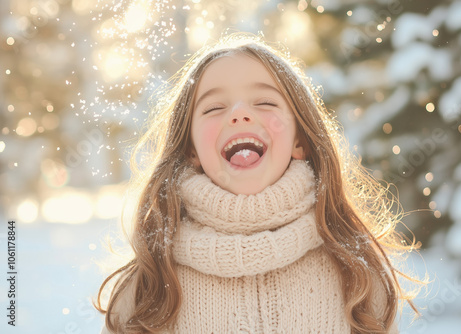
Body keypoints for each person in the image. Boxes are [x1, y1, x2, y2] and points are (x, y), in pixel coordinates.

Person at [94, 32, 423, 333]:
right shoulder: (151, 285)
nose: (238, 113)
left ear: (301, 141)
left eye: (265, 102)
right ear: (192, 149)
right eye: (214, 107)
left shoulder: (355, 275)